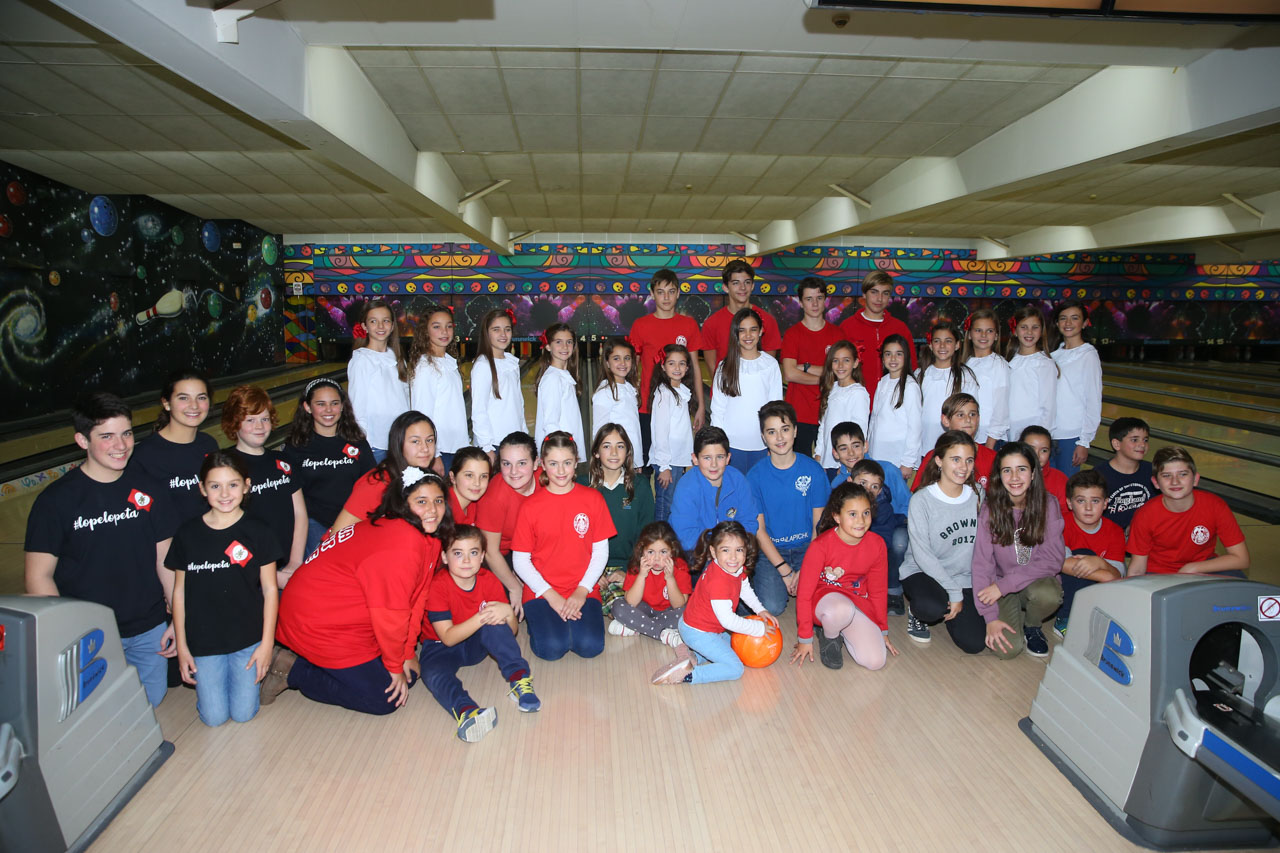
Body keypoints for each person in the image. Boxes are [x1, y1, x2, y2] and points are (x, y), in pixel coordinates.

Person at [25, 392, 178, 707]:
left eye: (126, 433)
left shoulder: (149, 490)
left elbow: (166, 559)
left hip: (148, 626)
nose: (121, 445)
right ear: (82, 440)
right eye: (106, 436)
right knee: (101, 713)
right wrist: (66, 636)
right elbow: (39, 577)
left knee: (151, 699)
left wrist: (178, 616)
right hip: (88, 633)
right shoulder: (56, 501)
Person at [262, 467, 448, 714]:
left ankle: (315, 662)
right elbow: (391, 614)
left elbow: (417, 598)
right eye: (421, 501)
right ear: (403, 503)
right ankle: (292, 669)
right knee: (385, 699)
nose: (433, 510)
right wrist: (394, 665)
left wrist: (406, 653)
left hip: (342, 614)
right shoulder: (403, 542)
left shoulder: (428, 537)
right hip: (315, 621)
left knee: (409, 675)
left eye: (438, 501)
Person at [168, 451, 280, 727]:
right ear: (202, 489)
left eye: (233, 484)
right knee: (214, 718)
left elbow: (270, 590)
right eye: (215, 486)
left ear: (246, 485)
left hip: (248, 638)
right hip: (204, 641)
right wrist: (182, 647)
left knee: (243, 714)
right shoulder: (188, 534)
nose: (225, 493)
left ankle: (275, 659)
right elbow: (179, 593)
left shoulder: (259, 531)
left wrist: (266, 644)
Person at [419, 524, 538, 743]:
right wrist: (482, 616)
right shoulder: (438, 586)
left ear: (482, 556)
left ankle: (519, 680)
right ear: (444, 557)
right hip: (440, 645)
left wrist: (509, 615)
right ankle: (468, 712)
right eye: (458, 553)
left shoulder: (488, 579)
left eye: (473, 553)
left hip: (475, 642)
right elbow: (448, 637)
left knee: (495, 625)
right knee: (431, 673)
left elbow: (508, 632)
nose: (466, 560)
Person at [511, 432, 616, 661]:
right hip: (542, 591)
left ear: (576, 462)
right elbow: (520, 560)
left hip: (582, 588)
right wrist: (552, 597)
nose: (561, 471)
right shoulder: (530, 507)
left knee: (590, 647)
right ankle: (541, 622)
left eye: (567, 463)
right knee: (552, 649)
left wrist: (582, 590)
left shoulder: (593, 499)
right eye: (553, 464)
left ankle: (564, 620)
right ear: (542, 465)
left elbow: (600, 553)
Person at [650, 521, 779, 685]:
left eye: (739, 550)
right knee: (735, 668)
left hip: (700, 626)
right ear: (713, 551)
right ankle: (688, 675)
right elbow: (729, 621)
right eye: (726, 550)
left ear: (746, 550)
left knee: (731, 646)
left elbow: (744, 586)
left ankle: (690, 657)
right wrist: (759, 629)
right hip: (698, 632)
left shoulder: (732, 567)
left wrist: (760, 610)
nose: (733, 557)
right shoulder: (719, 582)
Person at [972, 442, 1065, 659]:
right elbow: (981, 564)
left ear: (1033, 473)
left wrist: (1005, 586)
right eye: (1007, 470)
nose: (1014, 477)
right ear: (999, 475)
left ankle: (1032, 625)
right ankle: (1014, 617)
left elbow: (1053, 560)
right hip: (999, 585)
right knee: (1007, 650)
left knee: (1048, 595)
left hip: (1031, 583)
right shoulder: (990, 509)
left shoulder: (1048, 504)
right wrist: (990, 618)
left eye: (1021, 469)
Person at [791, 482, 897, 671]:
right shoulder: (820, 546)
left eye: (866, 513)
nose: (861, 521)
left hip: (855, 602)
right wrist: (804, 638)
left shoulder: (877, 544)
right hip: (824, 602)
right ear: (837, 516)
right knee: (841, 609)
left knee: (875, 662)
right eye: (853, 514)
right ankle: (829, 637)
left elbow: (878, 591)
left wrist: (882, 629)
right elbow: (804, 594)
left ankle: (841, 628)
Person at [897, 430, 985, 653]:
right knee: (931, 607)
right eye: (955, 459)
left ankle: (949, 604)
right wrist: (954, 593)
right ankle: (917, 613)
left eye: (969, 460)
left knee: (974, 644)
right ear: (939, 461)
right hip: (922, 571)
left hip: (962, 576)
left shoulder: (979, 495)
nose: (963, 467)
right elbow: (923, 555)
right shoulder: (922, 500)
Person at [747, 401, 831, 617]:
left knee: (822, 598)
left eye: (785, 429)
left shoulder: (813, 470)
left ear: (795, 430)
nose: (780, 438)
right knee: (773, 606)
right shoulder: (755, 476)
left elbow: (819, 527)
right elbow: (759, 530)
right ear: (764, 437)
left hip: (808, 548)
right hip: (772, 551)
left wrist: (807, 568)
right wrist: (785, 571)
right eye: (772, 432)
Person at [223, 385, 306, 586]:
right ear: (235, 423)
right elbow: (224, 529)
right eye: (250, 420)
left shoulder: (282, 461)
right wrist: (269, 576)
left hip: (286, 567)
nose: (260, 426)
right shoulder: (226, 465)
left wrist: (295, 563)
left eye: (265, 419)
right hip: (247, 572)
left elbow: (300, 514)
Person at [282, 378, 375, 556]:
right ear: (308, 407)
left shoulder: (357, 442)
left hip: (353, 518)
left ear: (342, 406)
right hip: (314, 521)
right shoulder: (295, 447)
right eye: (320, 404)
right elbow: (294, 496)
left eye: (334, 403)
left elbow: (370, 485)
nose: (329, 410)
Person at [1127, 446, 1249, 577]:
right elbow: (1137, 568)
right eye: (1167, 476)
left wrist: (1193, 568)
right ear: (1156, 483)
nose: (1175, 481)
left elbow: (1241, 559)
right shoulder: (1145, 515)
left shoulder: (1215, 506)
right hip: (1159, 574)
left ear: (1195, 479)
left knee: (1239, 584)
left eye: (1183, 474)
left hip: (1203, 567)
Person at [629, 269, 706, 455]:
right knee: (646, 462)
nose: (666, 297)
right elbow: (631, 369)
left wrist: (701, 406)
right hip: (646, 406)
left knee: (678, 461)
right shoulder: (640, 325)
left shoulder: (689, 325)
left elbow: (695, 367)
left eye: (671, 291)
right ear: (652, 294)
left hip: (680, 406)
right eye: (661, 292)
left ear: (678, 293)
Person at [584, 424, 654, 621]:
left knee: (628, 607)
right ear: (596, 453)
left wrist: (630, 572)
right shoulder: (582, 485)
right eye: (606, 446)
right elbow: (572, 540)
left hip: (626, 567)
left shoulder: (640, 486)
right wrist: (592, 574)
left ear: (628, 452)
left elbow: (647, 538)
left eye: (620, 446)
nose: (614, 453)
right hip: (587, 568)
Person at [129, 368, 218, 523]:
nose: (194, 406)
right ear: (166, 403)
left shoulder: (209, 444)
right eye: (184, 398)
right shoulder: (144, 456)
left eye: (201, 397)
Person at [329, 411, 438, 532]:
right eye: (415, 441)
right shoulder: (378, 482)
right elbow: (338, 532)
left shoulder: (427, 478)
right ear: (398, 443)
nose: (425, 448)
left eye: (429, 440)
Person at [709, 307, 782, 474]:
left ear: (761, 331)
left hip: (762, 445)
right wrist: (719, 444)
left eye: (753, 330)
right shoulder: (724, 366)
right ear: (735, 333)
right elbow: (718, 409)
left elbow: (775, 410)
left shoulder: (770, 365)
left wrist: (774, 443)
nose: (748, 336)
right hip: (732, 446)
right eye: (742, 330)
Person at [669, 426, 761, 557]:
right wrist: (720, 550)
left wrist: (732, 549)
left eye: (720, 457)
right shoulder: (686, 487)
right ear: (695, 459)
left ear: (728, 458)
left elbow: (749, 521)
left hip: (734, 550)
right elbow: (686, 536)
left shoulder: (738, 480)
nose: (714, 464)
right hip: (696, 552)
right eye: (707, 458)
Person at [1055, 469, 1125, 638]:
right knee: (1083, 553)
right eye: (1081, 501)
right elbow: (1063, 564)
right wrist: (1104, 573)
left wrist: (1099, 562)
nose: (1088, 508)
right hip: (1059, 581)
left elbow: (1118, 574)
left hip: (1094, 586)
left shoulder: (1115, 531)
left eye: (1095, 501)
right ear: (1070, 503)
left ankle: (1093, 616)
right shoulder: (1061, 524)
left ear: (1106, 503)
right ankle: (1064, 617)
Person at [781, 277, 847, 457]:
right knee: (800, 465)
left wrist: (805, 367)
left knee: (829, 466)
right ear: (801, 303)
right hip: (799, 414)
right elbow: (790, 373)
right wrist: (826, 377)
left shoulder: (837, 334)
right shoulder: (792, 334)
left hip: (830, 412)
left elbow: (842, 372)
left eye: (819, 297)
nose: (815, 303)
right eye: (809, 299)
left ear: (825, 300)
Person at [476, 431, 539, 619]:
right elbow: (490, 551)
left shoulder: (547, 480)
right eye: (506, 464)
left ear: (536, 463)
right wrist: (514, 587)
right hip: (501, 555)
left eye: (522, 463)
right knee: (516, 608)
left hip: (533, 549)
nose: (513, 472)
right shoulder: (495, 496)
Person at [838, 270, 916, 405]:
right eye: (874, 292)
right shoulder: (847, 327)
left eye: (885, 293)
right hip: (854, 404)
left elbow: (912, 367)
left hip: (892, 404)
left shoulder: (900, 328)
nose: (879, 299)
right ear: (864, 293)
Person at [610, 521, 692, 649]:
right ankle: (661, 633)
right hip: (642, 609)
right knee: (618, 606)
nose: (657, 558)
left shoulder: (680, 567)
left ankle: (636, 625)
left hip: (669, 611)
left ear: (672, 550)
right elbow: (631, 602)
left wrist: (670, 578)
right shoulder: (637, 566)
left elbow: (679, 604)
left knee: (687, 613)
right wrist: (642, 575)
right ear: (642, 550)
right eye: (651, 552)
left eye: (663, 552)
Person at [347, 299, 409, 462]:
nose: (380, 326)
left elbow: (406, 399)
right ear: (364, 326)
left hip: (400, 442)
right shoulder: (361, 359)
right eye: (374, 321)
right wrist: (362, 444)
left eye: (386, 321)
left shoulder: (397, 356)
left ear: (393, 325)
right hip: (376, 445)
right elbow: (357, 405)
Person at [408, 304, 468, 473]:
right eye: (437, 327)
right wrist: (434, 455)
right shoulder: (425, 367)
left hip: (455, 447)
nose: (444, 331)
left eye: (449, 326)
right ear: (425, 331)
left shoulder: (448, 361)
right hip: (440, 451)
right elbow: (422, 415)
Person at [701, 258, 782, 380]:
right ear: (725, 287)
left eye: (747, 282)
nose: (742, 287)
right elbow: (713, 370)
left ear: (753, 285)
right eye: (736, 283)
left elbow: (768, 367)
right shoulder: (711, 324)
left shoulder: (768, 321)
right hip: (726, 392)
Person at [1049, 299, 1102, 477]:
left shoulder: (1088, 355)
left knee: (1066, 487)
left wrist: (1084, 442)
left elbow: (1093, 400)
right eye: (1063, 318)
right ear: (1057, 323)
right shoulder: (1053, 354)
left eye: (1074, 318)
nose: (1068, 323)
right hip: (1049, 433)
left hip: (1071, 436)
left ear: (1085, 323)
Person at [850, 459, 907, 618]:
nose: (868, 489)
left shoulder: (883, 509)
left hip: (869, 557)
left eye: (874, 487)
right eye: (863, 483)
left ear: (880, 491)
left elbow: (883, 541)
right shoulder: (840, 502)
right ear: (850, 481)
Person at [471, 308, 526, 463]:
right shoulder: (483, 365)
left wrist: (524, 435)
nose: (503, 334)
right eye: (496, 330)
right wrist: (487, 447)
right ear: (486, 333)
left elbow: (519, 404)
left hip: (514, 441)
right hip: (494, 444)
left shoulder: (511, 362)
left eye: (507, 329)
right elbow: (479, 411)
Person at [648, 344, 695, 522]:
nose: (677, 368)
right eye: (672, 363)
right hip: (667, 461)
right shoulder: (664, 394)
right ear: (663, 366)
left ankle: (668, 540)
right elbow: (660, 432)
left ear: (687, 367)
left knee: (672, 503)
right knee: (664, 504)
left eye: (682, 364)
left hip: (677, 459)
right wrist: (664, 466)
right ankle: (660, 540)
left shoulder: (678, 391)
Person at [917, 319, 978, 455]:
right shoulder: (921, 375)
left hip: (955, 446)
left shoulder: (965, 376)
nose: (942, 345)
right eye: (937, 341)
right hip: (924, 445)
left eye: (948, 341)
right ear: (931, 345)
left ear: (957, 345)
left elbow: (972, 412)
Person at [867, 334, 922, 483]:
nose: (893, 359)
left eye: (898, 354)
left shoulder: (910, 386)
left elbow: (915, 427)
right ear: (882, 358)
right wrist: (868, 448)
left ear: (906, 357)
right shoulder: (883, 382)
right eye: (888, 354)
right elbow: (875, 418)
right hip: (877, 453)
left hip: (897, 457)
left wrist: (908, 462)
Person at [911, 393, 995, 491]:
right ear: (946, 420)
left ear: (978, 419)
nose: (968, 419)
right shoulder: (933, 456)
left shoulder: (992, 457)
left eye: (972, 414)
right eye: (960, 415)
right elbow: (918, 494)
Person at [813, 340, 870, 473]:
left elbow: (859, 431)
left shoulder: (858, 393)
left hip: (844, 462)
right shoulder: (832, 388)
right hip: (828, 460)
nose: (840, 365)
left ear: (855, 363)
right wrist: (819, 455)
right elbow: (824, 425)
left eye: (846, 360)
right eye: (835, 361)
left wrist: (846, 464)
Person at [1006, 304, 1058, 442]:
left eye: (1035, 327)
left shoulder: (1044, 363)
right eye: (1024, 327)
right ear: (1015, 331)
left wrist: (1043, 439)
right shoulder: (1009, 361)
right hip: (1010, 430)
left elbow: (1048, 407)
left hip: (1033, 434)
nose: (1029, 332)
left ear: (1041, 332)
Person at [591, 337, 645, 467]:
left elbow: (633, 429)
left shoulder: (629, 387)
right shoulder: (605, 392)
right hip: (614, 459)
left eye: (627, 358)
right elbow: (598, 430)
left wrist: (637, 460)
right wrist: (600, 460)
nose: (623, 363)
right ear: (607, 363)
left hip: (631, 456)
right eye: (616, 358)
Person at [961, 309, 1010, 449]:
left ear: (996, 336)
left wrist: (990, 444)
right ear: (969, 334)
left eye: (989, 331)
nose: (983, 335)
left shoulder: (999, 364)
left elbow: (1002, 408)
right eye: (978, 330)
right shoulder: (965, 364)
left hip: (989, 440)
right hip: (968, 437)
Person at [534, 322, 586, 452]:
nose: (565, 346)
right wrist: (558, 454)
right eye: (558, 342)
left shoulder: (562, 375)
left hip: (565, 447)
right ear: (548, 346)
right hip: (559, 449)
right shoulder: (553, 378)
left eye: (569, 342)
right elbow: (551, 423)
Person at [1098, 416, 1153, 531]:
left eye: (1145, 440)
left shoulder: (1152, 471)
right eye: (1134, 440)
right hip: (1110, 536)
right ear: (1116, 444)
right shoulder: (1099, 475)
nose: (1142, 444)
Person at [1018, 425, 1070, 521]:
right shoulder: (1008, 476)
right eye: (1031, 448)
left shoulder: (1059, 479)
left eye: (1044, 450)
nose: (1037, 455)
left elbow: (1065, 516)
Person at [447, 446, 491, 527]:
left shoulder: (477, 503)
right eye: (469, 475)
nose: (477, 483)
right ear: (452, 477)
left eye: (483, 476)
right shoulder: (443, 511)